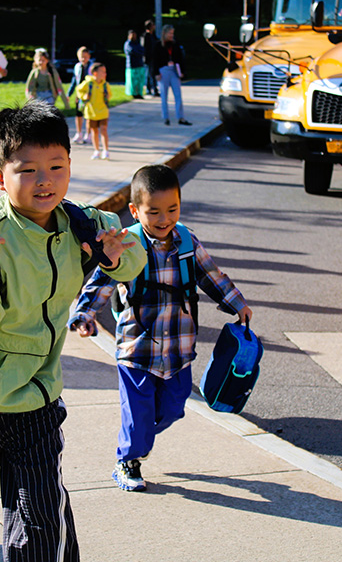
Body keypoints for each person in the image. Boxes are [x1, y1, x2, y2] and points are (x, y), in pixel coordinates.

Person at [0, 100, 147, 562]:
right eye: (28, 170)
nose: (45, 181)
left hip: (37, 388)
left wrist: (117, 254)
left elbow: (133, 257)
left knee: (40, 507)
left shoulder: (81, 222)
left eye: (56, 166)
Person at [69, 164, 252, 492]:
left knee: (173, 408)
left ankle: (138, 438)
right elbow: (101, 281)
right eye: (153, 212)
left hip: (178, 350)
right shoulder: (128, 244)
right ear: (134, 211)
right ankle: (128, 459)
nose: (164, 219)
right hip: (136, 349)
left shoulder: (186, 242)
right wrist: (85, 315)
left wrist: (237, 303)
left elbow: (212, 275)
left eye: (172, 209)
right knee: (139, 415)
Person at [154, 25, 192, 126]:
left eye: (172, 33)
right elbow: (154, 60)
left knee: (178, 95)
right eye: (170, 33)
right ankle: (165, 117)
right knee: (164, 95)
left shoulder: (175, 44)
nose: (172, 35)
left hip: (174, 70)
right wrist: (156, 73)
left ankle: (180, 117)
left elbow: (180, 58)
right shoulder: (158, 45)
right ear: (165, 33)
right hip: (163, 70)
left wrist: (182, 71)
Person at [76, 62, 112, 160]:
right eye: (103, 72)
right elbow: (79, 90)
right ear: (95, 73)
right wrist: (84, 96)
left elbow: (109, 94)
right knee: (94, 131)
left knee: (104, 130)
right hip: (91, 112)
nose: (105, 74)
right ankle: (96, 150)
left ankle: (106, 150)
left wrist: (108, 96)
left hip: (103, 111)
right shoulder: (88, 83)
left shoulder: (105, 84)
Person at [67, 46, 93, 144]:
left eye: (85, 57)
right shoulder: (77, 66)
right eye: (81, 57)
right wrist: (69, 93)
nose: (83, 59)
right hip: (80, 94)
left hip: (89, 94)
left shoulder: (92, 67)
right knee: (78, 113)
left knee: (88, 115)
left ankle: (88, 134)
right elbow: (74, 80)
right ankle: (79, 133)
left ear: (89, 56)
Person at [124, 29, 146, 99]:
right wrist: (139, 53)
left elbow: (142, 50)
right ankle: (133, 93)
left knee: (140, 80)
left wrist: (139, 52)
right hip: (132, 65)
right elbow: (132, 51)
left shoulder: (137, 43)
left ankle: (139, 93)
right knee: (132, 81)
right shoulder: (128, 44)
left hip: (139, 64)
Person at [141, 20, 160, 97]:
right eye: (153, 25)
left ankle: (154, 89)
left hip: (154, 58)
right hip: (148, 58)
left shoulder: (153, 36)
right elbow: (143, 48)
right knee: (148, 74)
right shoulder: (145, 36)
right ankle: (149, 89)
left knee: (153, 73)